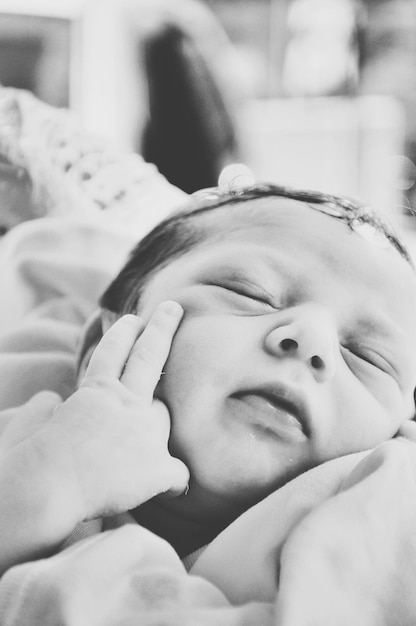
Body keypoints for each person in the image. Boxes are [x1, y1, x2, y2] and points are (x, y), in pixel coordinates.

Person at [1, 180, 416, 587]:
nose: (313, 338)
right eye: (249, 292)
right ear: (105, 343)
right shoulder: (24, 442)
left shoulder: (379, 549)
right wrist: (52, 479)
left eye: (369, 358)